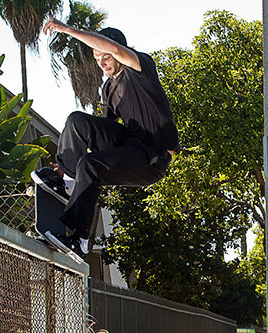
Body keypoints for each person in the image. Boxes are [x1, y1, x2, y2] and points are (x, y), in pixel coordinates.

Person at [37, 18, 179, 257]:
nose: (102, 63)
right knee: (77, 122)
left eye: (106, 58)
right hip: (128, 143)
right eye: (97, 58)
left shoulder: (140, 67)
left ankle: (80, 240)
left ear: (120, 53)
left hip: (152, 156)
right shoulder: (109, 89)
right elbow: (103, 131)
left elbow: (114, 48)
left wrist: (67, 30)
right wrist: (70, 165)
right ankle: (68, 183)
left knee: (90, 165)